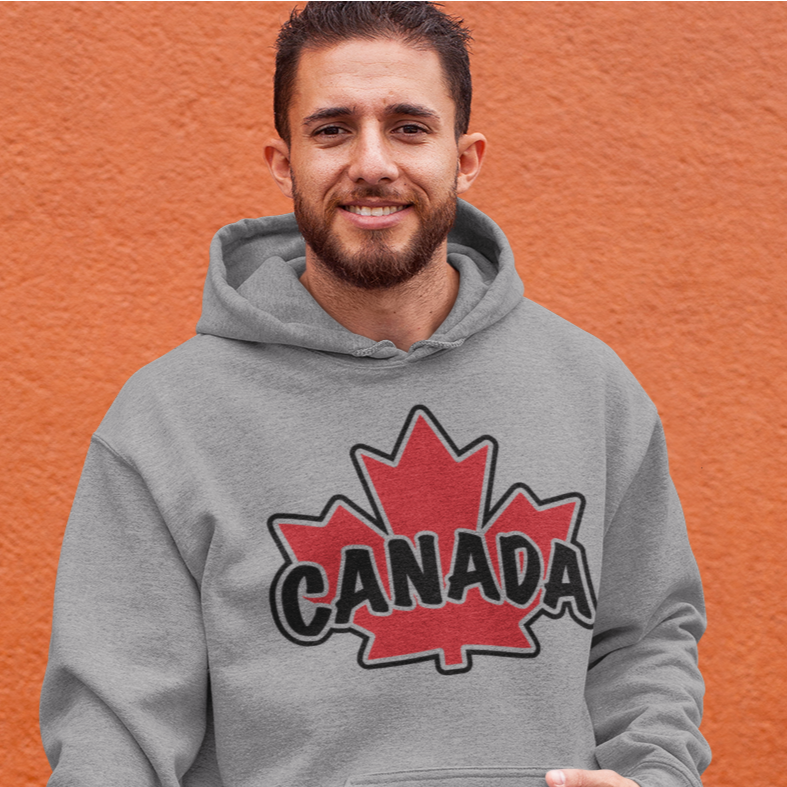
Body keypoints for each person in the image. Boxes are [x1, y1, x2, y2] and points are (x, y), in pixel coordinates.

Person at [41, 3, 710, 787]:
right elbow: (112, 729)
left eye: (408, 127)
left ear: (465, 158)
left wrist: (658, 775)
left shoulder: (590, 389)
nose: (371, 163)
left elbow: (645, 634)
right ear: (282, 161)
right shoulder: (167, 420)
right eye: (331, 130)